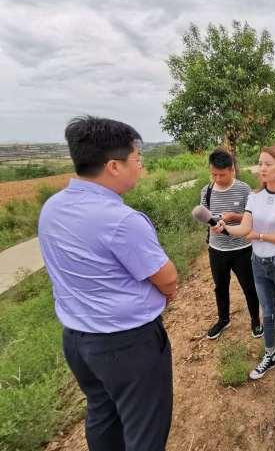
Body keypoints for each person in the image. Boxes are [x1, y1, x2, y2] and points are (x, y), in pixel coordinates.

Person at [38, 116, 176, 451]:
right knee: (145, 429)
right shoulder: (122, 221)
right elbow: (168, 279)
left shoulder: (52, 208)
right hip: (127, 345)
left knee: (103, 415)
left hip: (77, 341)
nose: (140, 167)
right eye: (137, 160)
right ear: (114, 166)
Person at [215, 146, 275, 380]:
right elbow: (244, 228)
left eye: (268, 164)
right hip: (258, 262)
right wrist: (225, 229)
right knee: (268, 312)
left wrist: (259, 236)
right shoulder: (254, 197)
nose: (262, 168)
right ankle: (270, 353)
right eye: (260, 163)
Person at [200, 148, 262, 340]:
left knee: (249, 286)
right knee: (220, 286)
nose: (217, 178)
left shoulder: (243, 189)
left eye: (222, 174)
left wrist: (234, 216)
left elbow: (254, 216)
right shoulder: (207, 190)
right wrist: (212, 223)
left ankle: (255, 320)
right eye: (214, 174)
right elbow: (204, 215)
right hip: (217, 249)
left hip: (242, 249)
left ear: (232, 169)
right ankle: (223, 319)